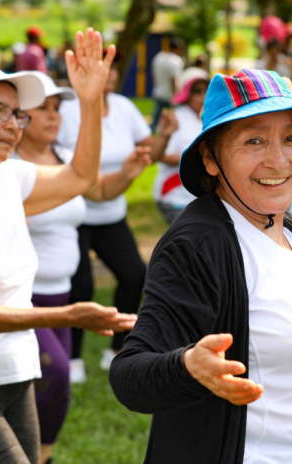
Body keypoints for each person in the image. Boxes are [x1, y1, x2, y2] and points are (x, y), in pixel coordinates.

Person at [108, 68, 292, 463]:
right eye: (254, 140)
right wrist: (188, 367)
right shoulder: (199, 245)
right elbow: (129, 374)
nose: (277, 158)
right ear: (210, 160)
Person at [0, 29, 136, 464]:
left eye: (17, 113)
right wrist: (65, 317)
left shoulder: (10, 178)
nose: (13, 123)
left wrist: (90, 99)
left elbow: (82, 177)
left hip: (16, 370)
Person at [13, 71, 151, 464]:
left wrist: (128, 171)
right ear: (18, 117)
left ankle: (39, 456)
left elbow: (100, 190)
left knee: (48, 389)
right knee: (54, 379)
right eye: (43, 109)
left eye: (57, 108)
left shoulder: (61, 161)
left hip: (60, 294)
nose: (54, 116)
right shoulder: (8, 166)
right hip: (26, 298)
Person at [57, 53, 177, 381]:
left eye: (112, 73)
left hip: (112, 212)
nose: (108, 78)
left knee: (134, 275)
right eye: (102, 72)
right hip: (75, 214)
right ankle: (72, 357)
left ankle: (118, 349)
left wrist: (163, 134)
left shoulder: (124, 108)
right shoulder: (65, 109)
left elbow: (147, 153)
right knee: (80, 285)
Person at [153, 68, 209, 225]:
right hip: (175, 194)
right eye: (197, 91)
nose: (203, 95)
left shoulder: (211, 117)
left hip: (202, 196)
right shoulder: (176, 117)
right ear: (186, 93)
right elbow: (162, 155)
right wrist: (200, 158)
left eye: (207, 89)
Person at [150, 36, 184, 132]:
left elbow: (154, 75)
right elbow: (174, 80)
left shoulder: (158, 57)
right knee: (177, 120)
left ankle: (150, 133)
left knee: (156, 120)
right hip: (171, 96)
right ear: (177, 48)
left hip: (159, 92)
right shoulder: (176, 60)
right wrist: (176, 96)